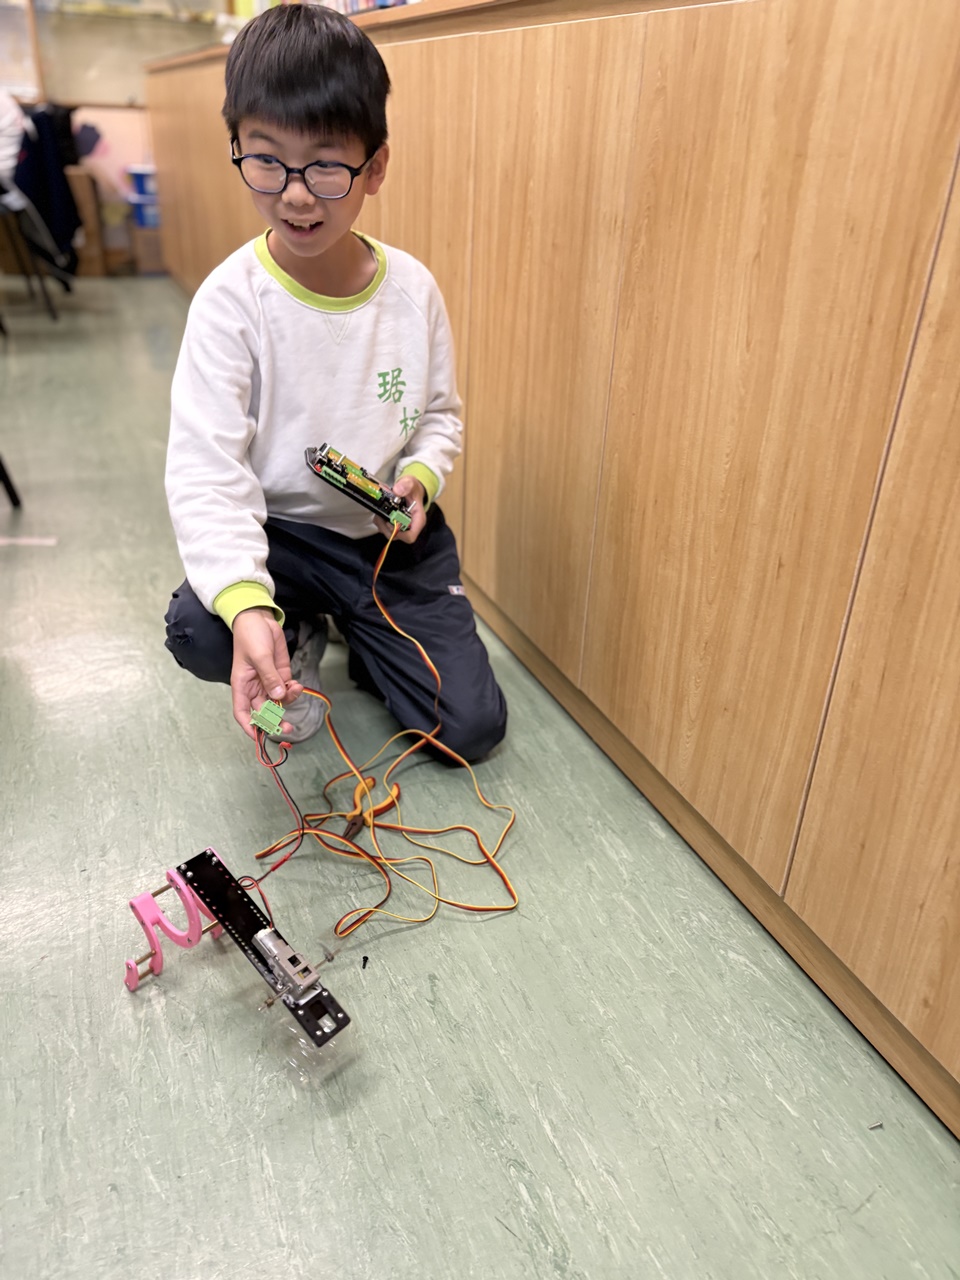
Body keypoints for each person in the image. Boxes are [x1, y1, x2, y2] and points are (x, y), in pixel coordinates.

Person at [163, 4, 506, 762]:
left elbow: (440, 417)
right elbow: (206, 472)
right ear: (237, 148)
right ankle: (295, 630)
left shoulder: (413, 291)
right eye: (266, 160)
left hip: (381, 545)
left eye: (325, 165)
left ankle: (360, 628)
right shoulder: (230, 303)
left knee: (468, 730)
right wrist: (248, 605)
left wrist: (420, 478)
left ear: (374, 167)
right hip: (282, 538)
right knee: (200, 627)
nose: (295, 194)